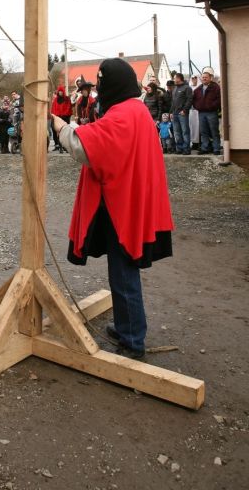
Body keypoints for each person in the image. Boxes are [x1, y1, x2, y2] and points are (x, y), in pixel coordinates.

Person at [52, 58, 173, 360]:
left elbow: (86, 147)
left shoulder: (124, 115)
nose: (101, 89)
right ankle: (125, 327)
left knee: (123, 273)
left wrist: (61, 126)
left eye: (103, 83)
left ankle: (132, 340)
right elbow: (101, 136)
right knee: (121, 271)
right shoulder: (134, 110)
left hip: (123, 207)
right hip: (127, 201)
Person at [192, 67, 222, 155]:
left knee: (214, 131)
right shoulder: (198, 89)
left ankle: (216, 148)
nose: (204, 78)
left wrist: (212, 106)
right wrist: (197, 107)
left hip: (212, 112)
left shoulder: (215, 87)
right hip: (201, 113)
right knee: (203, 131)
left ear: (210, 78)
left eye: (206, 77)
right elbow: (194, 100)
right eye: (203, 77)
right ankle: (205, 147)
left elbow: (219, 99)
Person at [171, 73, 193, 155]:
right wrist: (171, 112)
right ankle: (179, 148)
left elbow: (189, 100)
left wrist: (184, 110)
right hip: (175, 113)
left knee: (185, 131)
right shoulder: (175, 88)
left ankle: (186, 149)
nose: (173, 80)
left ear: (179, 78)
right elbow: (173, 102)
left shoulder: (187, 88)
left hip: (182, 113)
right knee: (177, 132)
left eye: (174, 78)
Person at [50, 86, 72, 152]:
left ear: (63, 92)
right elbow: (53, 108)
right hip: (57, 117)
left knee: (65, 131)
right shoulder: (55, 100)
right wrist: (55, 116)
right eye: (59, 91)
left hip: (65, 117)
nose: (60, 93)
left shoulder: (67, 99)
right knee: (54, 129)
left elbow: (68, 107)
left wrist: (64, 114)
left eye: (61, 91)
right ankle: (57, 144)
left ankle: (65, 145)